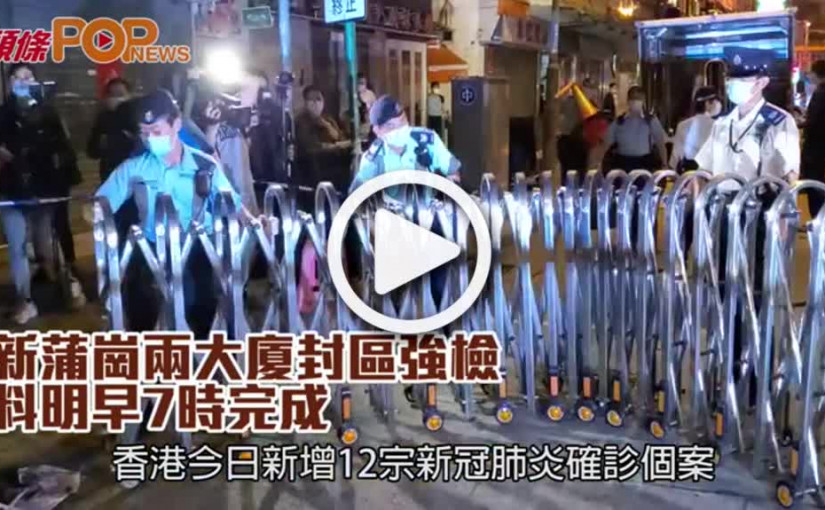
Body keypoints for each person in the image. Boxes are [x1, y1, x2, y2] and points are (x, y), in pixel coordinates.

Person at [96, 89, 241, 339]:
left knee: (201, 309)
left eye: (156, 132)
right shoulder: (134, 168)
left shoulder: (204, 164)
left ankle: (200, 354)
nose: (150, 139)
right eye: (144, 133)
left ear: (177, 125)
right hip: (153, 248)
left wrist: (254, 222)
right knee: (144, 308)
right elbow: (102, 202)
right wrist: (98, 215)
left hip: (199, 248)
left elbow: (233, 205)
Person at [0, 63, 85, 324]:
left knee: (44, 244)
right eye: (17, 77)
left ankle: (61, 284)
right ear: (9, 83)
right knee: (17, 246)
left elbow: (64, 149)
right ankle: (25, 300)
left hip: (43, 189)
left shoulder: (49, 114)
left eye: (28, 77)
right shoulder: (2, 114)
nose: (23, 81)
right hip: (10, 189)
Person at [694, 47, 800, 185]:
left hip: (758, 197)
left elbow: (790, 174)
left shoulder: (779, 123)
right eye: (730, 80)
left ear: (762, 83)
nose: (732, 85)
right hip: (721, 196)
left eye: (742, 80)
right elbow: (704, 168)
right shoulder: (722, 123)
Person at [350, 95, 461, 198]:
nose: (400, 128)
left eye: (403, 121)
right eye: (391, 126)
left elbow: (452, 170)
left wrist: (450, 189)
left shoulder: (427, 141)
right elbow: (357, 195)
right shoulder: (374, 158)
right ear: (377, 131)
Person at [198, 92, 259, 215]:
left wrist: (250, 129)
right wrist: (211, 125)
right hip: (225, 202)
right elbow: (208, 153)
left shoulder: (237, 125)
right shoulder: (206, 127)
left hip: (247, 196)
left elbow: (247, 154)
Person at [295, 85, 352, 197]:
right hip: (314, 167)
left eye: (319, 99)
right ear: (305, 103)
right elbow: (311, 147)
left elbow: (342, 138)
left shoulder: (328, 119)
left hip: (336, 163)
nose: (316, 104)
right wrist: (336, 146)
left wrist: (328, 127)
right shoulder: (301, 121)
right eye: (311, 100)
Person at [603, 85, 668, 171]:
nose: (635, 101)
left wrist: (664, 164)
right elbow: (605, 144)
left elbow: (661, 144)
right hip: (622, 164)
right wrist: (599, 163)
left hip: (644, 163)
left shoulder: (650, 121)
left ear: (643, 101)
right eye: (632, 98)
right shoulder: (619, 122)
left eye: (638, 98)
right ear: (628, 101)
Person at [669, 87, 723, 172]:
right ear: (707, 103)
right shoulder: (718, 126)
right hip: (711, 173)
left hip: (688, 174)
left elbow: (675, 158)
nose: (720, 105)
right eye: (717, 101)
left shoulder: (682, 125)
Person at [802, 59, 825, 217]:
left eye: (810, 72)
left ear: (818, 74)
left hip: (816, 152)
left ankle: (818, 223)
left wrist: (799, 123)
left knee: (815, 190)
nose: (808, 75)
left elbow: (813, 122)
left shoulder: (820, 93)